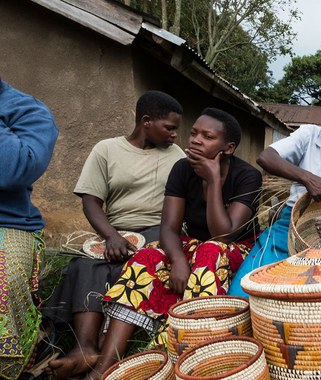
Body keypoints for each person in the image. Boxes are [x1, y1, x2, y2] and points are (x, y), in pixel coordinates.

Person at [83, 108, 262, 379]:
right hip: (195, 245)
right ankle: (104, 366)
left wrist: (212, 180)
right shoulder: (182, 168)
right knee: (147, 257)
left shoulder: (247, 175)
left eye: (208, 136)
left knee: (210, 251)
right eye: (194, 133)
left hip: (237, 249)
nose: (196, 140)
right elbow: (168, 227)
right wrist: (178, 261)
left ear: (228, 148)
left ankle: (171, 355)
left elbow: (224, 235)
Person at [43, 91, 185, 379]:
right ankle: (85, 348)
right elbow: (90, 200)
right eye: (169, 128)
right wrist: (110, 236)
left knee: (138, 263)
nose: (174, 135)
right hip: (117, 230)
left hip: (161, 230)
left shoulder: (177, 157)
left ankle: (104, 353)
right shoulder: (107, 150)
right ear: (146, 122)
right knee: (84, 265)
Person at [228, 84, 321, 297]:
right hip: (290, 224)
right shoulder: (309, 136)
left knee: (308, 296)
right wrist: (308, 178)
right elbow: (266, 158)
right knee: (244, 290)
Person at [0, 78, 58, 379]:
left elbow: (12, 170)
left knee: (4, 280)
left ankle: (12, 366)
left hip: (7, 221)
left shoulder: (30, 112)